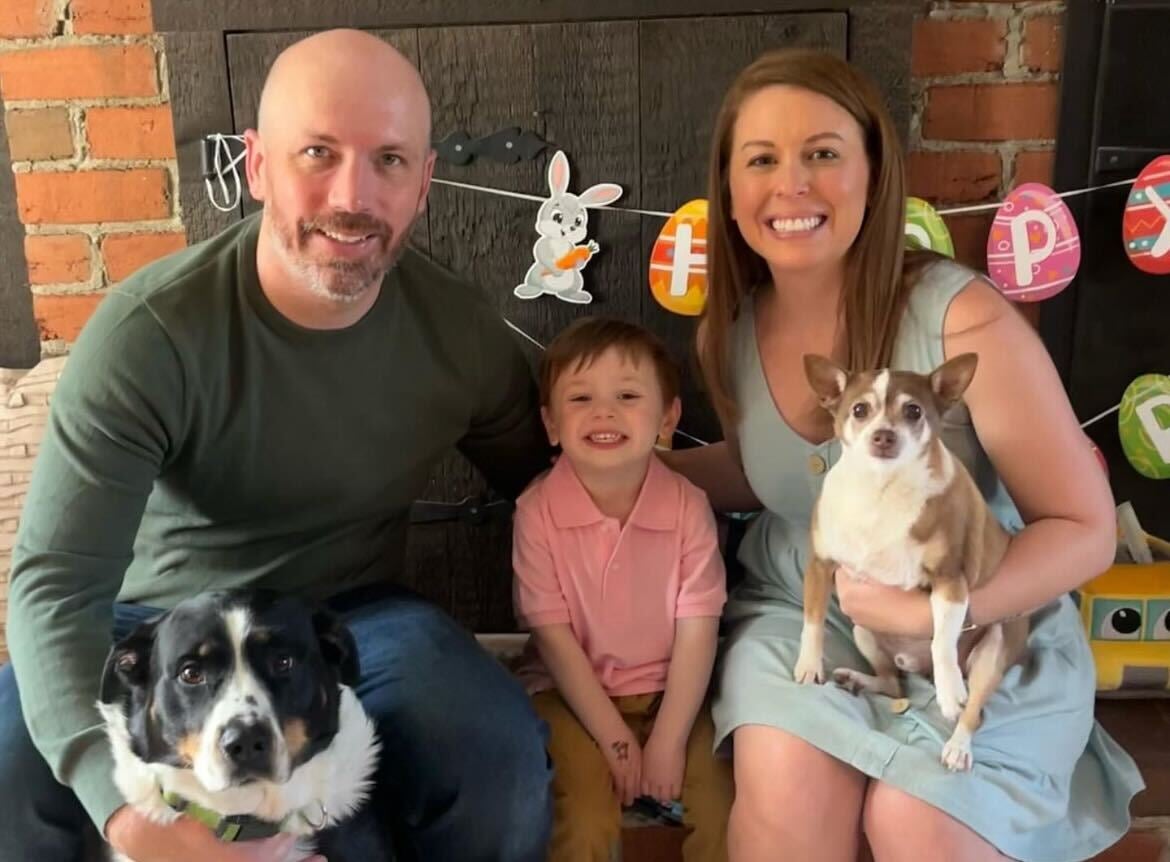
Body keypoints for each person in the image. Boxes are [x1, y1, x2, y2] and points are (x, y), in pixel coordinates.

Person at [2, 29, 554, 862]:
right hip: (159, 619)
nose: (353, 195)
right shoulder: (151, 334)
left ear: (426, 182)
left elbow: (556, 486)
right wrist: (122, 808)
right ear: (257, 166)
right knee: (7, 765)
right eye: (318, 153)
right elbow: (54, 585)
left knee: (495, 753)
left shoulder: (459, 333)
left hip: (352, 615)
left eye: (390, 161)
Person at [660, 49, 1145, 862]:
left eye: (822, 153)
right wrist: (638, 471)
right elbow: (767, 474)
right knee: (788, 789)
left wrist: (929, 618)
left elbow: (1084, 529)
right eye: (762, 160)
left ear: (874, 174)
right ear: (730, 188)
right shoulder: (735, 327)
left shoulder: (960, 319)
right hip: (808, 605)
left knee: (918, 824)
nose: (792, 185)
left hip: (976, 609)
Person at [511, 317, 734, 861]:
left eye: (628, 396)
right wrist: (615, 742)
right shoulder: (537, 513)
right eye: (581, 397)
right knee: (582, 816)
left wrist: (668, 740)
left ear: (668, 418)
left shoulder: (687, 507)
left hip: (675, 695)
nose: (604, 413)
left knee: (725, 808)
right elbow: (555, 641)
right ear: (552, 423)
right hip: (570, 697)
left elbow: (698, 630)